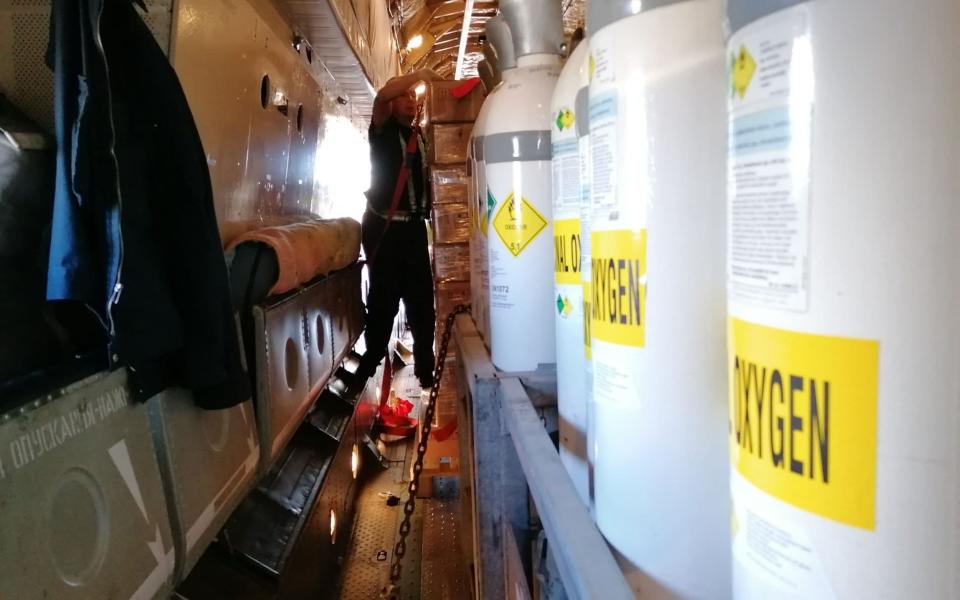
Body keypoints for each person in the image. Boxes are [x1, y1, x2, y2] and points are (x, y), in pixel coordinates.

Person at [353, 69, 441, 391]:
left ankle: (426, 372)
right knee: (382, 306)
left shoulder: (423, 138)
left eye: (414, 98)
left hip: (414, 232)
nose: (411, 101)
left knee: (422, 306)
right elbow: (382, 97)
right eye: (405, 96)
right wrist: (420, 76)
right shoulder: (382, 131)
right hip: (386, 232)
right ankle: (367, 365)